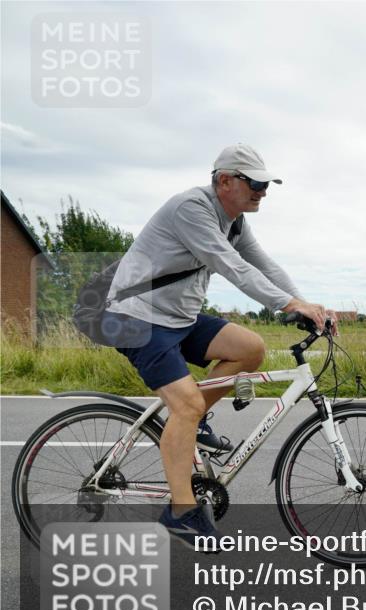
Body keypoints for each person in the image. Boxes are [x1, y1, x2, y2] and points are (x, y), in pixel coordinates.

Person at [102, 143, 337, 547]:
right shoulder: (191, 209)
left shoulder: (235, 221)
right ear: (224, 180)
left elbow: (264, 265)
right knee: (188, 405)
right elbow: (232, 267)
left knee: (249, 348)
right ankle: (180, 511)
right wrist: (287, 304)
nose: (263, 191)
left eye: (267, 184)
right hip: (136, 318)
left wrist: (305, 305)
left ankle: (191, 425)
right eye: (256, 183)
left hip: (178, 318)